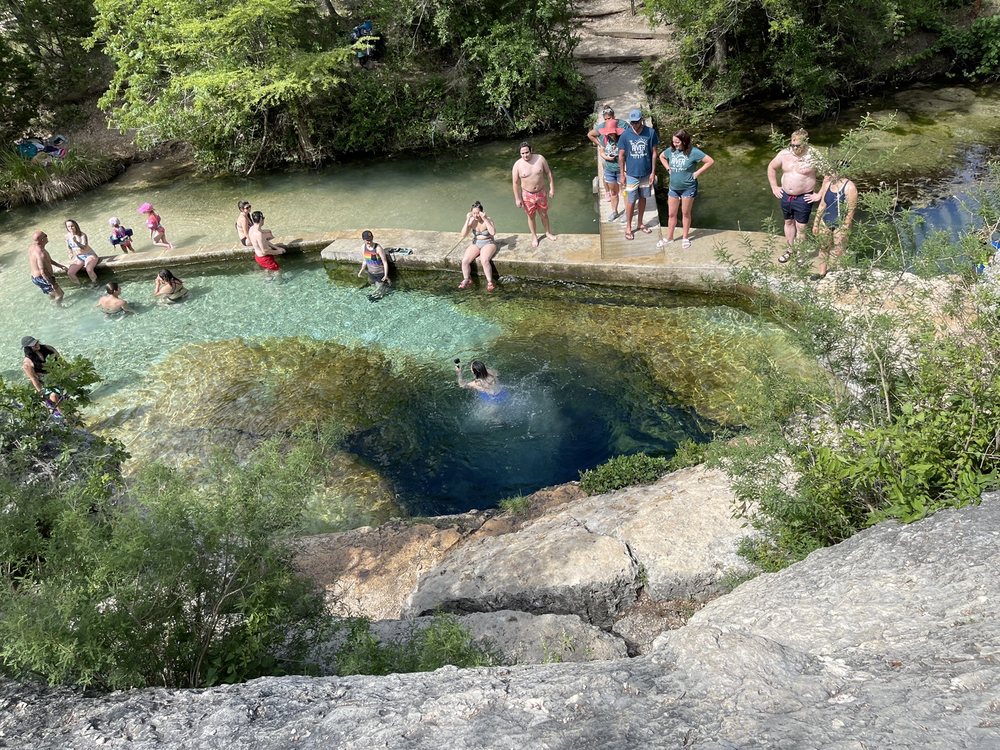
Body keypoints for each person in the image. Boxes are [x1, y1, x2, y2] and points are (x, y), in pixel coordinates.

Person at [766, 128, 821, 262]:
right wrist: (774, 187)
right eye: (793, 145)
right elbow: (771, 167)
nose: (795, 148)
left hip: (804, 197)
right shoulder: (784, 154)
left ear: (806, 142)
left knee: (801, 227)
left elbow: (830, 174)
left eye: (798, 145)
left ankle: (801, 253)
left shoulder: (814, 155)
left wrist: (819, 195)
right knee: (788, 222)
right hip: (786, 195)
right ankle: (790, 250)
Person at [657, 129, 715, 249]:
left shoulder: (693, 152)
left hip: (688, 188)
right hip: (673, 188)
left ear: (684, 141)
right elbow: (661, 156)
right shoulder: (671, 151)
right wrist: (668, 168)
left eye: (677, 142)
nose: (675, 144)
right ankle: (669, 237)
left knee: (685, 213)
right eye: (673, 142)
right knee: (671, 214)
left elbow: (710, 161)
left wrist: (697, 172)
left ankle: (685, 237)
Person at [617, 108, 659, 241]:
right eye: (632, 122)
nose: (634, 125)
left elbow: (653, 153)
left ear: (641, 120)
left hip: (646, 173)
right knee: (630, 200)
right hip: (631, 174)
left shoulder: (650, 133)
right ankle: (628, 227)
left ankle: (640, 222)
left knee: (643, 198)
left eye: (636, 122)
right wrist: (622, 174)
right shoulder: (625, 135)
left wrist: (653, 172)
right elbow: (621, 155)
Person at [811, 163, 859, 279]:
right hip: (826, 219)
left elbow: (851, 210)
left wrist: (845, 226)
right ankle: (822, 273)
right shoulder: (827, 184)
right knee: (823, 247)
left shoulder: (850, 187)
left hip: (840, 222)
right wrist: (816, 223)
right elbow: (822, 204)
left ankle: (842, 274)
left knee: (839, 250)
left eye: (832, 171)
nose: (829, 174)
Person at [511, 141, 557, 248]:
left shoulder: (540, 159)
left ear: (531, 150)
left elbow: (548, 173)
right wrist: (517, 198)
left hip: (541, 192)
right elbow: (515, 183)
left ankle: (547, 232)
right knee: (531, 216)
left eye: (527, 152)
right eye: (522, 153)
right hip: (527, 195)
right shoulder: (517, 165)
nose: (525, 155)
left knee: (544, 214)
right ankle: (534, 236)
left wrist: (552, 188)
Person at [458, 201, 499, 292]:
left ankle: (490, 281)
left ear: (482, 212)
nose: (476, 215)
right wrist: (467, 220)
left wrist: (485, 219)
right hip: (476, 242)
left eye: (477, 213)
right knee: (465, 261)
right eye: (474, 213)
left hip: (488, 242)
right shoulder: (472, 221)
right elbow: (463, 234)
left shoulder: (488, 219)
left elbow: (493, 232)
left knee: (484, 260)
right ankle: (467, 279)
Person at [21, 335, 62, 408]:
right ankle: (65, 415)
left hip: (58, 374)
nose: (36, 345)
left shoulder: (49, 348)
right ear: (28, 348)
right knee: (54, 396)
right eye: (33, 345)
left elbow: (61, 361)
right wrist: (41, 392)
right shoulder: (27, 363)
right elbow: (33, 379)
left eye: (36, 342)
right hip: (45, 382)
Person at [28, 230, 66, 304]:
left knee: (52, 293)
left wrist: (60, 266)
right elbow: (43, 272)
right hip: (42, 278)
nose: (46, 235)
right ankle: (58, 308)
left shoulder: (32, 247)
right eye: (45, 235)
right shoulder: (41, 254)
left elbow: (48, 260)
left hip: (35, 277)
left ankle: (52, 301)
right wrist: (52, 284)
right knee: (60, 294)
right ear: (42, 240)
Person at [598, 123, 624, 222]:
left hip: (620, 169)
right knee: (613, 192)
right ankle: (614, 211)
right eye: (608, 133)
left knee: (625, 192)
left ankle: (627, 212)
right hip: (609, 169)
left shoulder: (622, 139)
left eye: (611, 133)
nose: (609, 134)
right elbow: (601, 151)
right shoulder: (604, 138)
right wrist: (606, 157)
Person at [248, 210, 285, 275]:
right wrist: (278, 252)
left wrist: (276, 247)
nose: (264, 220)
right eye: (263, 218)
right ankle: (280, 283)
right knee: (278, 271)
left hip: (258, 256)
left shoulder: (252, 228)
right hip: (265, 258)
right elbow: (264, 251)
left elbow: (264, 241)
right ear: (261, 220)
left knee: (268, 269)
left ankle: (268, 280)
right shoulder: (259, 234)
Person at [64, 219, 100, 285]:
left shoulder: (82, 235)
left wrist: (76, 242)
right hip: (79, 257)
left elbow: (84, 247)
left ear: (76, 226)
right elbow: (68, 247)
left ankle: (96, 284)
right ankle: (80, 285)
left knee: (89, 269)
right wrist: (70, 253)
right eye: (68, 226)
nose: (71, 228)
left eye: (72, 226)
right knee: (70, 273)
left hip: (89, 255)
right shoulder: (67, 236)